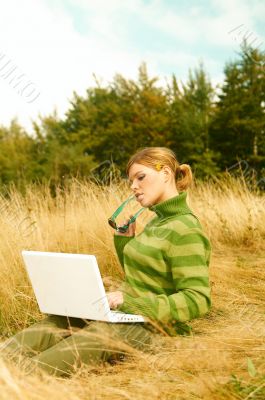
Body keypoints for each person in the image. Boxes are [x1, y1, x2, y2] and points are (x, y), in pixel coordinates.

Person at [0, 146, 212, 377]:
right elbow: (144, 277)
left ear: (166, 174)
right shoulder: (157, 222)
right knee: (59, 320)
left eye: (141, 177)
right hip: (129, 317)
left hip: (160, 331)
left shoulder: (186, 229)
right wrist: (124, 243)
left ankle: (18, 381)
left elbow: (197, 299)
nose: (133, 187)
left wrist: (130, 303)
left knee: (98, 333)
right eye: (131, 180)